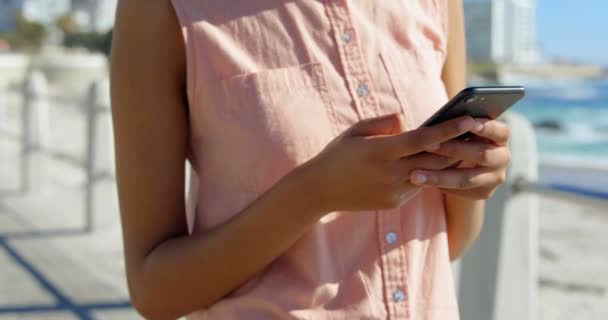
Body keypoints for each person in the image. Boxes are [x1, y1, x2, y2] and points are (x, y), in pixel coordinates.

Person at [110, 0, 511, 319]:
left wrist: (469, 172)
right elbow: (154, 291)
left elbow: (450, 242)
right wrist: (314, 193)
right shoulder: (161, 9)